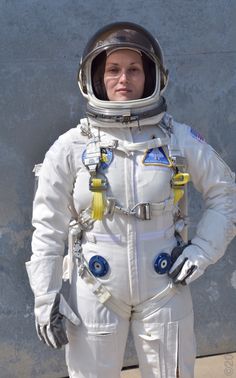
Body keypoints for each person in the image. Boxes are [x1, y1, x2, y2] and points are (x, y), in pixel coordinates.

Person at [26, 22, 236, 378]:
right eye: (113, 69)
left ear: (152, 76)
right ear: (93, 77)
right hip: (95, 288)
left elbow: (226, 194)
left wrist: (202, 250)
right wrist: (45, 297)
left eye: (134, 69)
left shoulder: (177, 140)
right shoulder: (71, 147)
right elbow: (47, 228)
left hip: (165, 288)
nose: (124, 78)